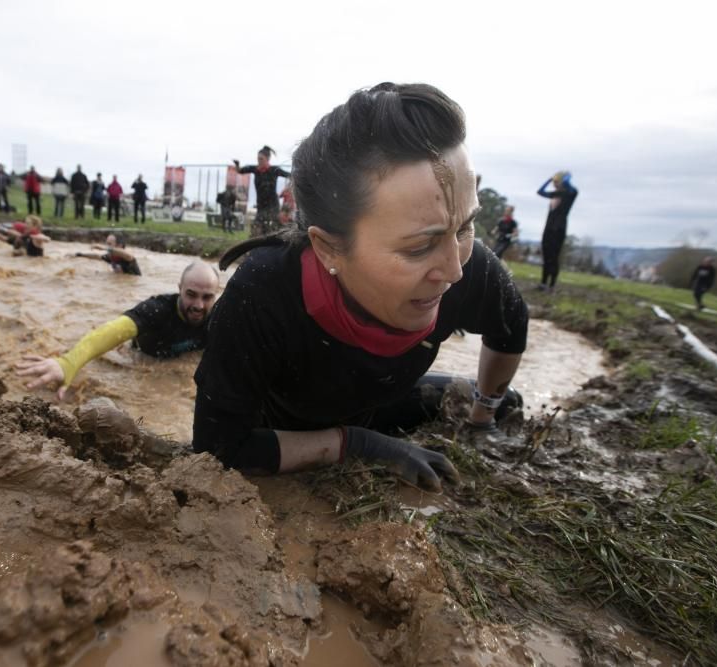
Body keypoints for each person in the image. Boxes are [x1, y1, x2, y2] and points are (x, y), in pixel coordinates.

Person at [193, 83, 529, 492]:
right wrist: (366, 446)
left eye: (465, 226)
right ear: (329, 248)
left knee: (505, 403)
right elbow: (217, 450)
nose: (454, 270)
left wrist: (482, 419)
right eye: (420, 246)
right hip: (285, 428)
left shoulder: (467, 262)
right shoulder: (262, 293)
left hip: (380, 403)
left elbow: (511, 321)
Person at [16, 262, 219, 399]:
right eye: (191, 295)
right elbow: (111, 331)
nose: (199, 305)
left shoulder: (220, 316)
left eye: (207, 297)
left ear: (216, 295)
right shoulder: (156, 309)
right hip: (141, 359)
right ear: (180, 288)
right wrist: (69, 362)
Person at [233, 146, 291, 238]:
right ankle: (252, 249)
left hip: (273, 205)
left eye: (261, 159)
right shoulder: (255, 169)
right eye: (258, 158)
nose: (259, 161)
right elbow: (240, 171)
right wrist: (237, 164)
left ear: (268, 159)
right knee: (256, 228)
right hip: (261, 205)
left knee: (273, 228)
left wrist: (290, 185)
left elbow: (289, 175)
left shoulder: (274, 170)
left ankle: (278, 245)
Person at [536, 171, 578, 291]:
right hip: (548, 229)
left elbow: (569, 187)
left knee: (554, 257)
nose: (555, 183)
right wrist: (549, 179)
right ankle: (543, 283)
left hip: (559, 230)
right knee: (546, 256)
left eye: (557, 181)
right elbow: (540, 192)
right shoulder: (555, 194)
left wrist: (566, 178)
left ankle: (552, 285)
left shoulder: (571, 194)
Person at [74, 234, 142, 275]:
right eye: (106, 244)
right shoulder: (111, 257)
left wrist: (104, 248)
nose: (107, 246)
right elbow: (97, 256)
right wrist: (79, 255)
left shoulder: (128, 258)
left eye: (109, 244)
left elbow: (128, 255)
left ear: (119, 246)